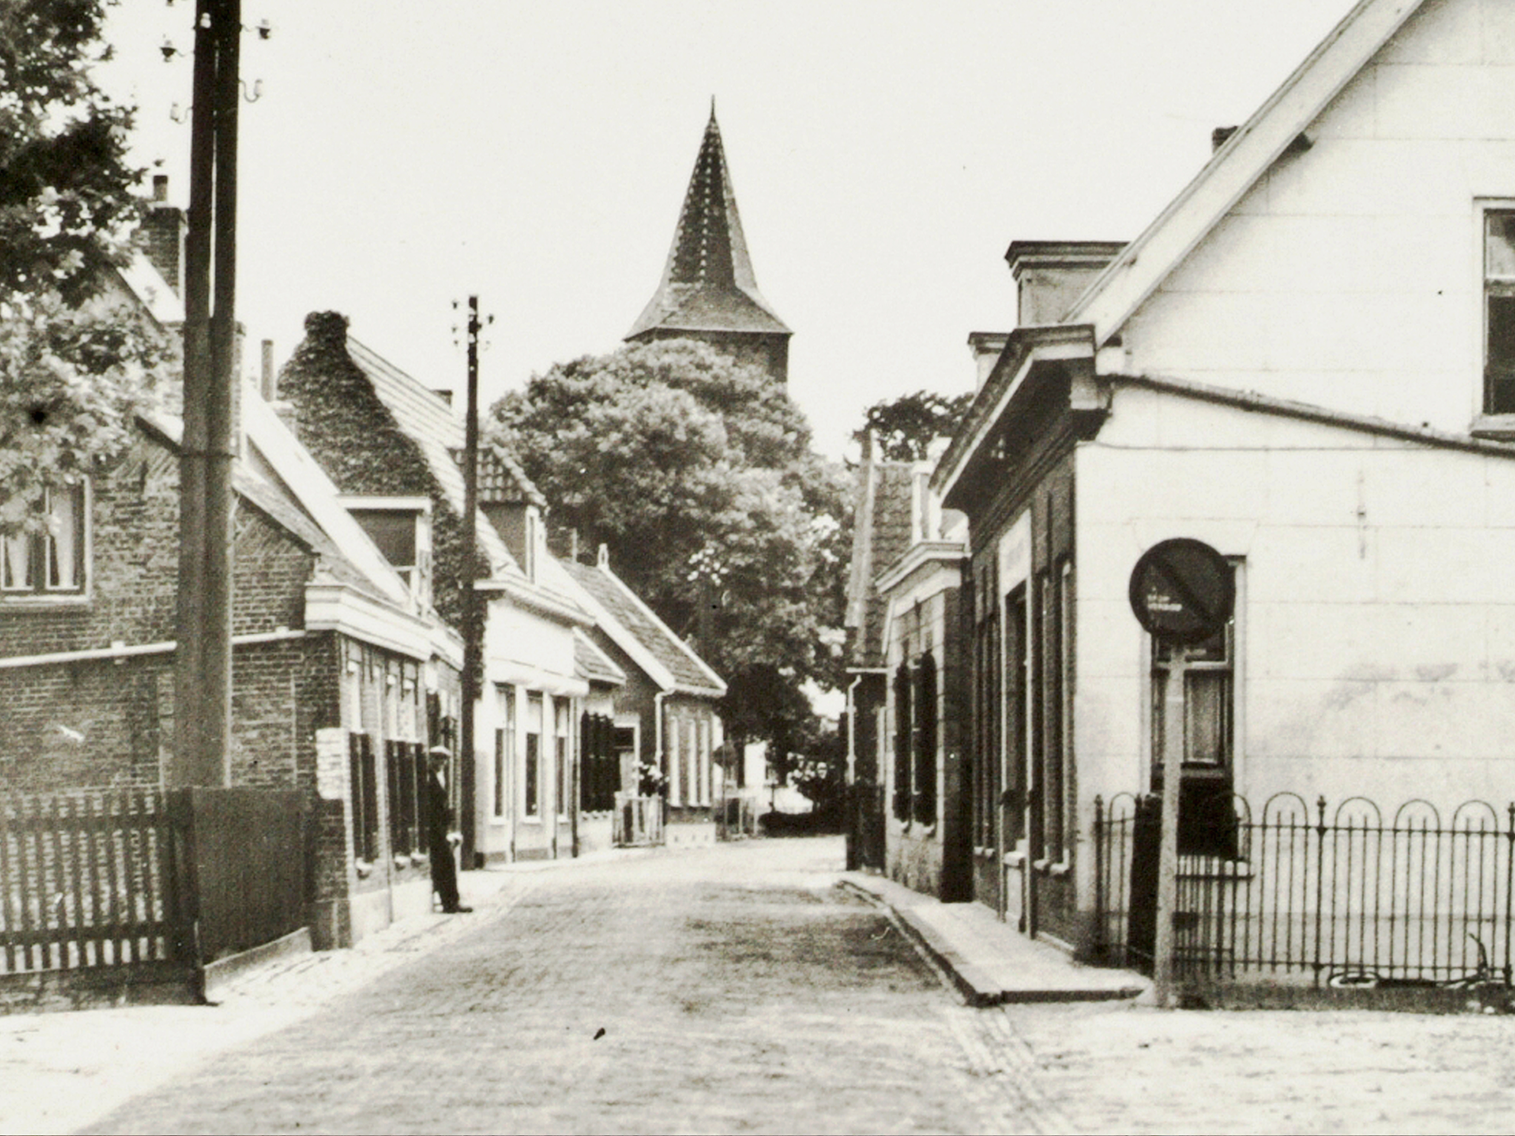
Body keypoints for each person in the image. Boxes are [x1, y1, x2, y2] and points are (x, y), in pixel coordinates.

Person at [426, 746, 471, 913]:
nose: (441, 762)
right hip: (435, 831)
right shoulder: (428, 778)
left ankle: (451, 902)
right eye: (437, 759)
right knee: (445, 865)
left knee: (447, 865)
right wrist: (443, 833)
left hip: (442, 829)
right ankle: (449, 903)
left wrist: (451, 829)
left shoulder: (441, 777)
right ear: (431, 760)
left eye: (443, 759)